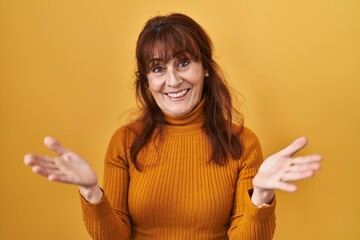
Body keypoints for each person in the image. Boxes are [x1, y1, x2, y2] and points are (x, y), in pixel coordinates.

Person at [24, 13, 322, 240]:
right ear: (147, 80)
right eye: (157, 68)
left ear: (204, 67)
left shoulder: (242, 143)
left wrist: (261, 197)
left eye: (182, 63)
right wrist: (92, 193)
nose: (172, 80)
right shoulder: (125, 141)